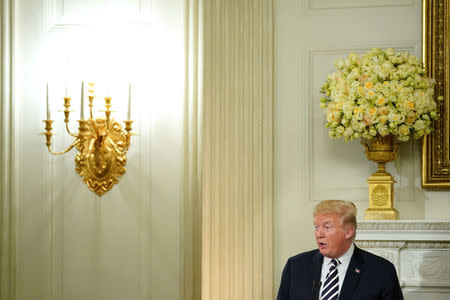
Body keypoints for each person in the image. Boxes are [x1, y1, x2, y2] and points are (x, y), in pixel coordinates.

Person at [277, 200, 403, 300]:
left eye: (327, 227)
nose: (318, 234)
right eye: (316, 226)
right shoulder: (295, 266)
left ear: (348, 232)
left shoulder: (381, 270)